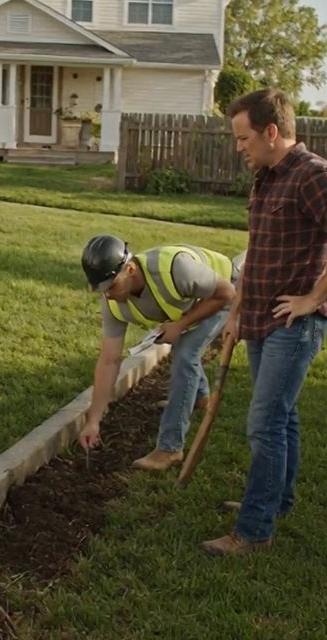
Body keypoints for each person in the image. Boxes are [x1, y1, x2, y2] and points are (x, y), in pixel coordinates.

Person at [200, 89, 327, 556]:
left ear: (271, 131)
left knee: (264, 423)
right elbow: (256, 251)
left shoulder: (313, 175)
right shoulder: (266, 178)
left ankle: (254, 531)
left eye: (243, 137)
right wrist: (235, 314)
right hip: (257, 318)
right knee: (282, 417)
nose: (238, 147)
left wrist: (313, 299)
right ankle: (277, 502)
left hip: (293, 326)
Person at [79, 235, 238, 470]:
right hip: (193, 300)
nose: (108, 294)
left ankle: (170, 448)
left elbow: (227, 293)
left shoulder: (175, 269)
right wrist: (93, 419)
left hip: (225, 291)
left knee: (185, 354)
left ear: (130, 269)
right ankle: (200, 397)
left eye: (111, 286)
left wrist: (180, 325)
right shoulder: (112, 303)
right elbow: (109, 360)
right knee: (183, 348)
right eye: (101, 289)